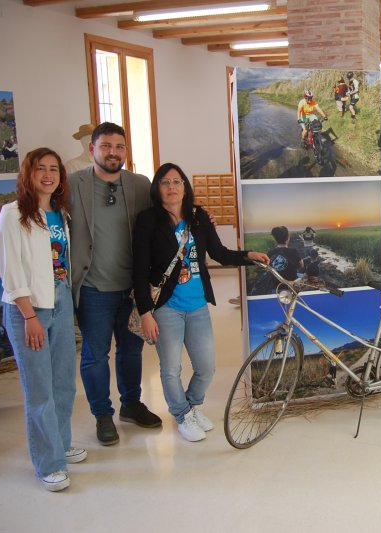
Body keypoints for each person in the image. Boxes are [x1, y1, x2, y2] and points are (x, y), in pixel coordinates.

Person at [132, 163, 268, 442]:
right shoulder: (148, 220)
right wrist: (145, 312)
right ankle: (182, 415)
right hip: (166, 307)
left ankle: (192, 407)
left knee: (206, 367)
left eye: (177, 182)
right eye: (165, 183)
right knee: (171, 368)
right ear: (157, 188)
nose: (172, 188)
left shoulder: (198, 216)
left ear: (185, 186)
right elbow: (139, 268)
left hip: (197, 305)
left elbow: (219, 252)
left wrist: (248, 255)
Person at [0, 147, 86, 492]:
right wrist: (29, 315)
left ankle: (61, 443)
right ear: (28, 174)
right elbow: (12, 271)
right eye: (40, 169)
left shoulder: (60, 214)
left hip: (60, 301)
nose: (48, 175)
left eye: (54, 169)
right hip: (28, 310)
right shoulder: (13, 213)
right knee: (39, 390)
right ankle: (48, 463)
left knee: (64, 382)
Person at [69, 122, 162, 446]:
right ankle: (102, 414)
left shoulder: (139, 184)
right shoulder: (72, 183)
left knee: (132, 351)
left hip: (132, 288)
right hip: (94, 288)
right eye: (106, 146)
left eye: (119, 146)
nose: (113, 152)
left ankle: (131, 404)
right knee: (95, 355)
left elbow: (159, 223)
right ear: (93, 149)